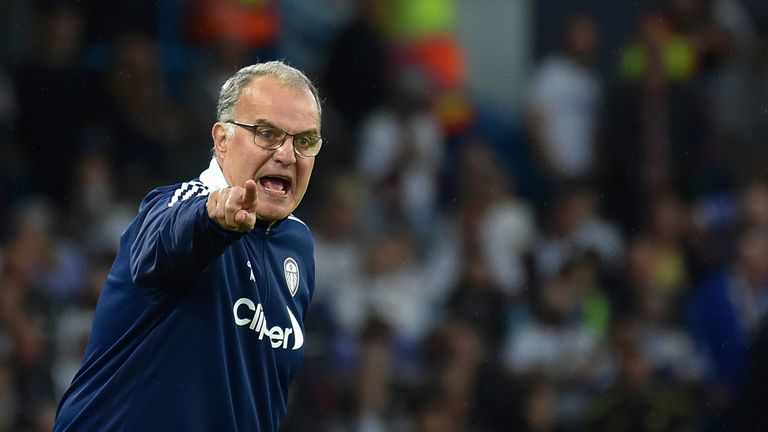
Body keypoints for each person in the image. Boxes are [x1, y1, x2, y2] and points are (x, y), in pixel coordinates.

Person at [53, 61, 323, 431]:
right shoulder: (181, 206)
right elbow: (162, 243)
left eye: (304, 140)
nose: (287, 155)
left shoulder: (298, 246)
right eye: (267, 133)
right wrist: (214, 221)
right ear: (222, 139)